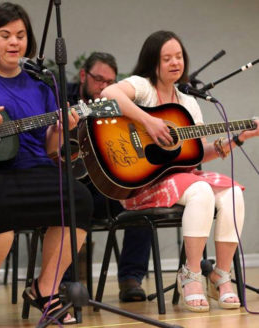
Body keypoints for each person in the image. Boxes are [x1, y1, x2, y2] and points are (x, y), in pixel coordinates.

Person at [0, 2, 93, 327]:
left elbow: (52, 148)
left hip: (35, 170)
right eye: (6, 34)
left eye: (21, 35)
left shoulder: (41, 83)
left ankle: (45, 290)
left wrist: (62, 127)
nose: (14, 42)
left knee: (79, 199)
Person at [101, 30, 259, 312]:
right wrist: (148, 121)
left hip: (179, 181)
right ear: (153, 62)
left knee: (233, 192)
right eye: (167, 58)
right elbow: (108, 93)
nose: (175, 62)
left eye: (178, 57)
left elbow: (199, 152)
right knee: (200, 190)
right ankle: (191, 275)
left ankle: (221, 277)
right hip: (143, 183)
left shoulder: (188, 103)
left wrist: (238, 138)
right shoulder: (143, 86)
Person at [65, 52, 150, 302]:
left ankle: (130, 279)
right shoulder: (62, 99)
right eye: (98, 80)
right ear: (83, 76)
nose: (103, 87)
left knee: (140, 200)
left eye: (110, 82)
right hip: (75, 187)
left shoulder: (118, 103)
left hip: (107, 189)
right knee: (69, 200)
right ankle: (66, 285)